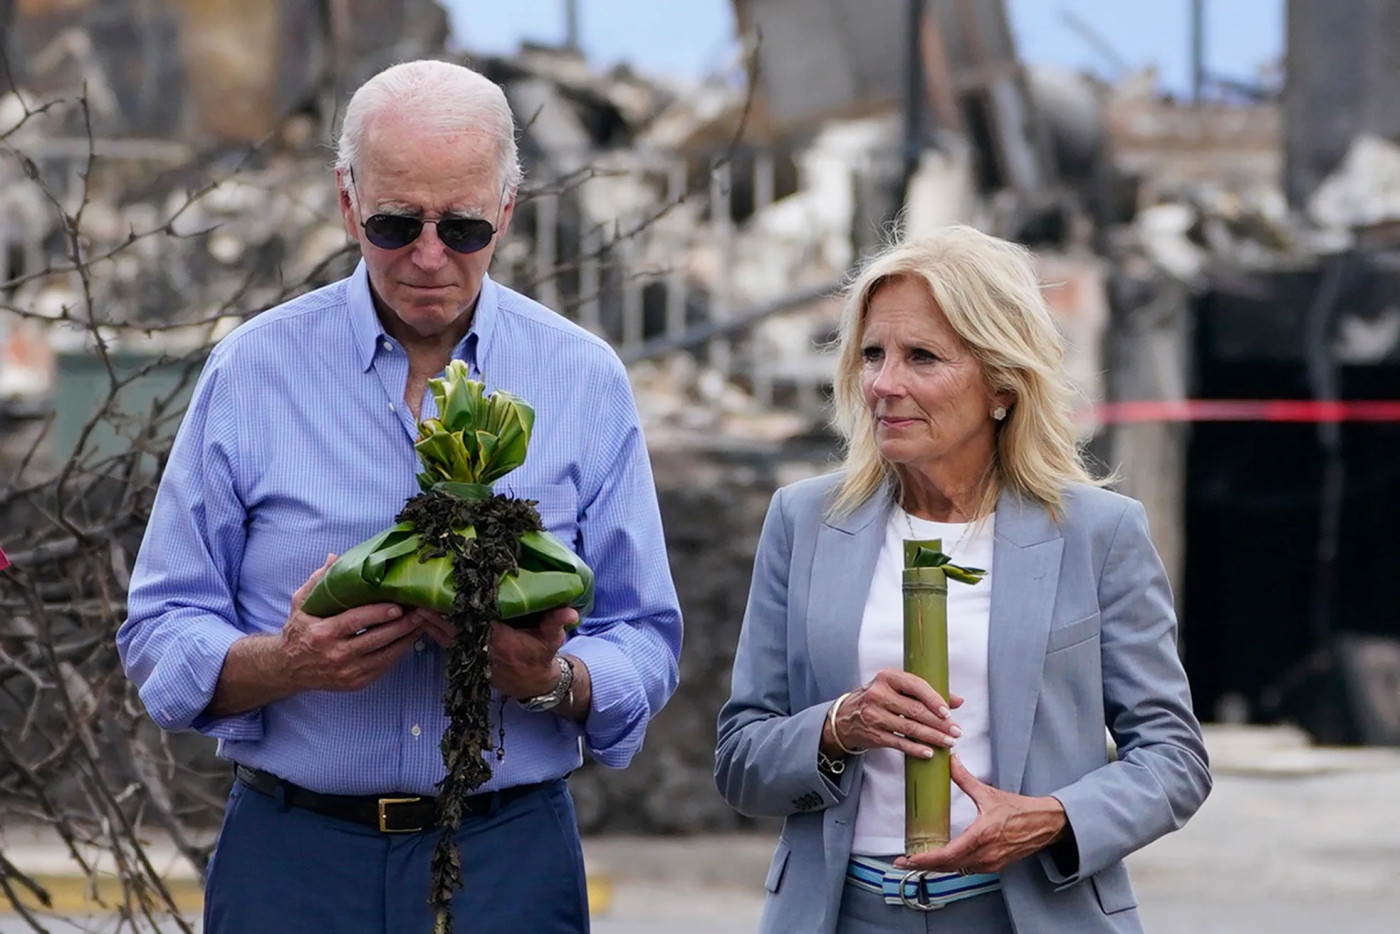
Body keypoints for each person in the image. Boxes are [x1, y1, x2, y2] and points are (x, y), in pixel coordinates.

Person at [118, 60, 681, 934]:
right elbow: (158, 632)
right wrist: (286, 662)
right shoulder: (252, 371)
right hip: (295, 856)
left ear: (507, 209)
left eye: (461, 226)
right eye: (392, 222)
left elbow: (645, 636)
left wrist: (550, 680)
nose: (427, 256)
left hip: (509, 859)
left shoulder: (584, 379)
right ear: (347, 203)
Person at [715, 226, 1210, 933]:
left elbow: (1174, 759)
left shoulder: (1099, 533)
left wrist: (1051, 818)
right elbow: (740, 758)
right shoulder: (804, 520)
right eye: (873, 354)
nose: (885, 384)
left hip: (1029, 913)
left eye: (922, 357)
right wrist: (836, 727)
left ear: (1002, 384)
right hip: (840, 914)